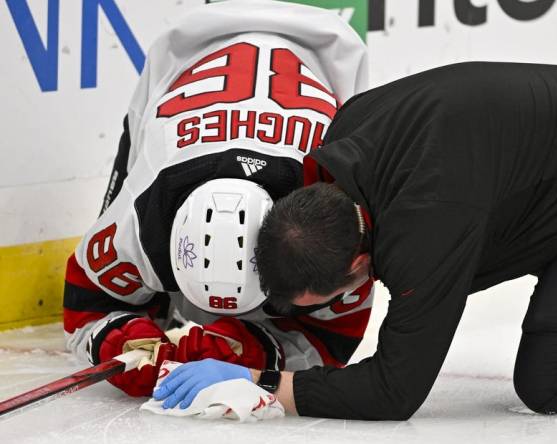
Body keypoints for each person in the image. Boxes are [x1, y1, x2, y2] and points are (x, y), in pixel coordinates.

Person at [153, 61, 557, 420]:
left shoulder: (426, 225)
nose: (341, 301)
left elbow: (395, 391)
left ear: (358, 260)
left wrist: (261, 382)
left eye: (336, 293)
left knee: (556, 377)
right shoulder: (346, 138)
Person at [62, 0, 373, 401]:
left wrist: (249, 348)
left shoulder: (329, 213)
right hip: (183, 55)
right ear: (167, 250)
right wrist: (121, 339)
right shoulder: (139, 223)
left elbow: (334, 343)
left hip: (329, 55)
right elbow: (86, 302)